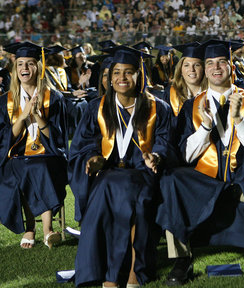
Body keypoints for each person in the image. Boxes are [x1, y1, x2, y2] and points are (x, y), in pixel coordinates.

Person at [157, 39, 244, 285]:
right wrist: (206, 126)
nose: (216, 68)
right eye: (209, 63)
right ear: (205, 69)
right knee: (172, 179)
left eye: (221, 62)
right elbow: (185, 156)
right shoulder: (191, 107)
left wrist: (239, 119)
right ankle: (181, 260)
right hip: (206, 179)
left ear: (231, 65)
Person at [68, 45, 173, 287]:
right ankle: (108, 273)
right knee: (105, 192)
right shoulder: (97, 107)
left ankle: (130, 273)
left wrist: (156, 156)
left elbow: (166, 143)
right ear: (109, 76)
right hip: (108, 174)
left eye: (128, 72)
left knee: (131, 196)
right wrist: (93, 157)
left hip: (143, 173)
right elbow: (84, 144)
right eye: (116, 72)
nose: (122, 78)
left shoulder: (159, 108)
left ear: (140, 76)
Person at [0, 41, 68, 249]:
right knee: (30, 167)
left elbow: (58, 139)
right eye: (20, 63)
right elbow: (0, 141)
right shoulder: (5, 102)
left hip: (47, 156)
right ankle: (43, 229)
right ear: (15, 69)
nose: (24, 68)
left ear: (38, 68)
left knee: (39, 166)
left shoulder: (54, 99)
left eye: (30, 63)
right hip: (15, 157)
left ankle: (33, 229)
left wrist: (39, 117)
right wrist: (22, 116)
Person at [158, 42, 207, 128]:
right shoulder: (170, 93)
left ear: (203, 69)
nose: (191, 69)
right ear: (180, 70)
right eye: (186, 65)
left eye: (197, 65)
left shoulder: (211, 93)